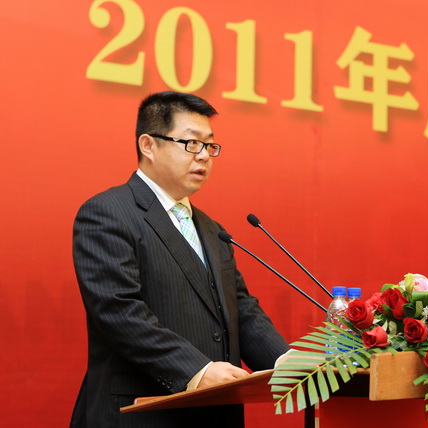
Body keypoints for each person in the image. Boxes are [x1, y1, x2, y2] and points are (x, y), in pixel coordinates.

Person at [70, 91, 290, 428]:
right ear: (148, 145)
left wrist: (287, 362)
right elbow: (119, 312)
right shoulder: (107, 213)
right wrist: (196, 370)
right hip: (143, 413)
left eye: (210, 146)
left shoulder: (212, 229)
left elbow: (241, 310)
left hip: (216, 411)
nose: (203, 156)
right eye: (191, 143)